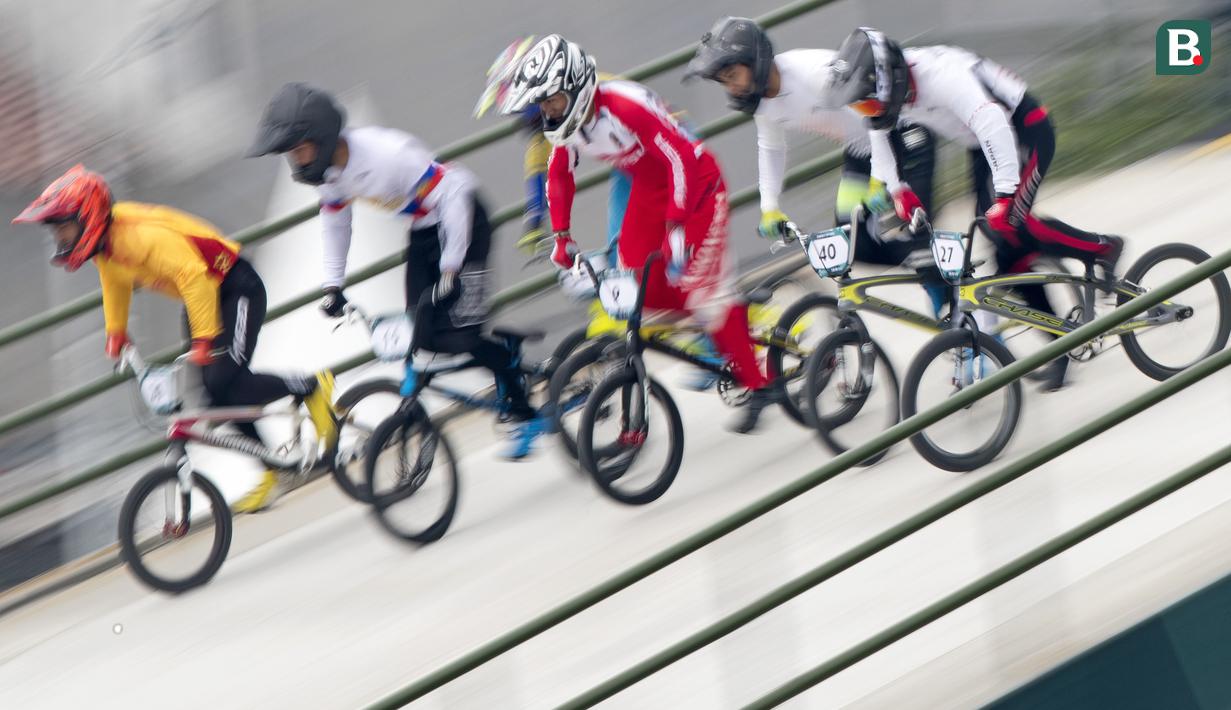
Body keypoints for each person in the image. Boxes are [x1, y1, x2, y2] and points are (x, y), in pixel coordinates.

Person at [245, 82, 548, 459]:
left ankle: (523, 408)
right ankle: (495, 362)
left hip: (464, 220)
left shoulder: (389, 156)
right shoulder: (331, 175)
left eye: (298, 150)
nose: (296, 161)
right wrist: (333, 285)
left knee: (461, 334)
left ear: (320, 138)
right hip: (424, 231)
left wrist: (451, 270)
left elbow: (453, 198)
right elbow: (336, 224)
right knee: (420, 333)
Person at [12, 165, 337, 513]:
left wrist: (203, 340)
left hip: (236, 289)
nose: (60, 238)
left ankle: (310, 386)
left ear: (87, 217)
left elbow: (196, 277)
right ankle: (273, 468)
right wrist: (116, 331)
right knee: (214, 397)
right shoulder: (106, 246)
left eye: (63, 228)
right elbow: (115, 282)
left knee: (226, 381)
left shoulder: (138, 237)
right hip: (201, 300)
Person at [500, 34, 777, 433]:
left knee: (702, 290)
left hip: (695, 185)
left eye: (552, 101)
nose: (548, 111)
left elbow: (681, 159)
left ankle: (759, 380)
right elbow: (559, 177)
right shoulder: (567, 126)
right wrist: (561, 236)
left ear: (575, 87)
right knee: (636, 286)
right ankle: (726, 321)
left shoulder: (624, 108)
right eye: (542, 104)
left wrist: (677, 226)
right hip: (649, 190)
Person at [820, 27, 1124, 389]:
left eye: (868, 103)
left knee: (1007, 228)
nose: (867, 111)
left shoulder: (942, 76)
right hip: (982, 145)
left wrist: (1007, 195)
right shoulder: (887, 97)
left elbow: (993, 123)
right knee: (1008, 255)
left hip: (1023, 130)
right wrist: (899, 191)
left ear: (888, 79)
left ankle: (1101, 248)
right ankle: (1058, 343)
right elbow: (880, 139)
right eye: (860, 106)